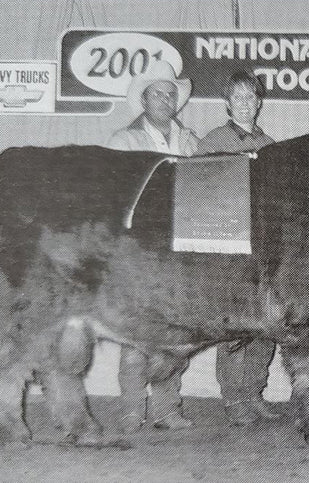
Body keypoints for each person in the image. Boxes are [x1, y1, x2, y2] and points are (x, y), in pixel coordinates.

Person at [107, 60, 199, 432]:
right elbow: (111, 199)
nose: (164, 99)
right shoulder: (122, 141)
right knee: (136, 332)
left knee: (176, 333)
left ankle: (166, 408)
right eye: (157, 93)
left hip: (181, 252)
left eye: (170, 94)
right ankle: (131, 408)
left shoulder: (192, 142)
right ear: (143, 99)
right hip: (139, 251)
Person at [195, 71, 280, 425]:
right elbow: (198, 196)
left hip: (264, 247)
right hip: (228, 246)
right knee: (234, 325)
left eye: (252, 97)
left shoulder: (272, 144)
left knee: (268, 321)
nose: (247, 103)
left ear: (259, 102)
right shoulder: (212, 142)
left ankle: (253, 392)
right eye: (239, 97)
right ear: (227, 103)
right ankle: (232, 398)